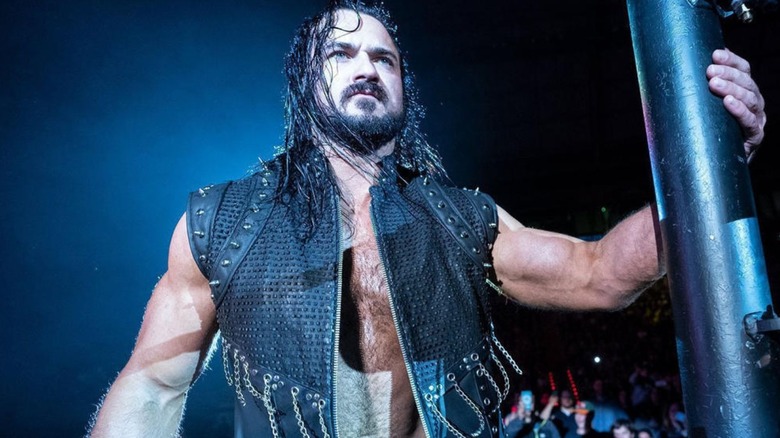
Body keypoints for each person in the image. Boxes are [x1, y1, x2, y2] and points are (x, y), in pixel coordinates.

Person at [87, 1, 766, 437]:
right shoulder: (226, 222)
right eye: (342, 54)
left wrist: (714, 160)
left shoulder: (460, 219)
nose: (367, 69)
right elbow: (150, 385)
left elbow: (601, 274)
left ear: (404, 87)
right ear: (304, 82)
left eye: (384, 58)